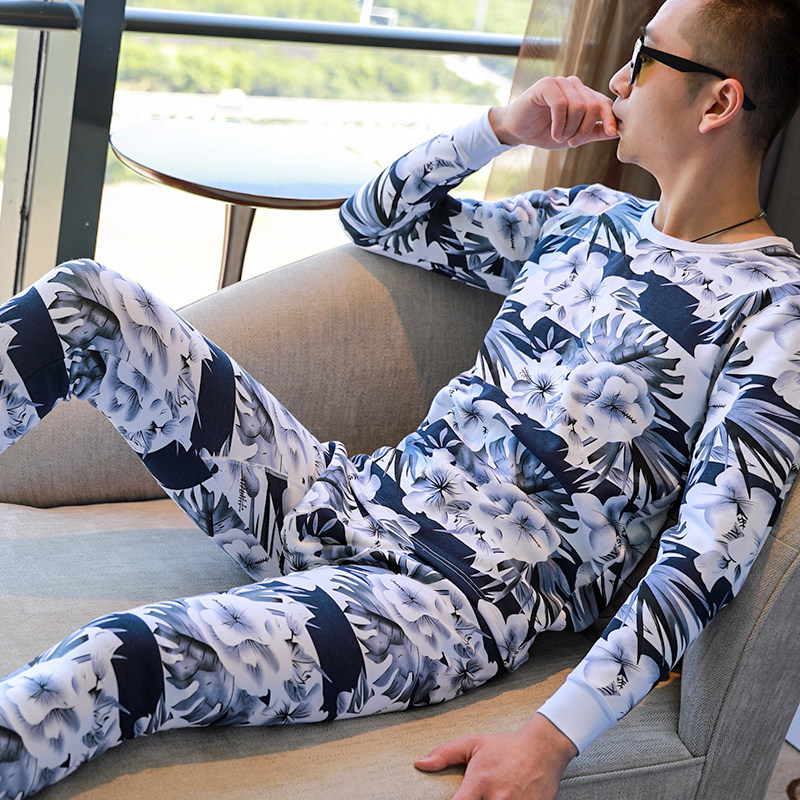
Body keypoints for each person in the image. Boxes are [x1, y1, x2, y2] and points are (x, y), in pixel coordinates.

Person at [0, 0, 799, 797]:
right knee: (85, 300)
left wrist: (552, 736)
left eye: (645, 56)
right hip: (339, 495)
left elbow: (708, 551)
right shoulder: (584, 216)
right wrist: (502, 129)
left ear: (718, 102)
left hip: (439, 606)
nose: (618, 79)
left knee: (113, 660)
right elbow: (374, 219)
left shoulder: (772, 310)